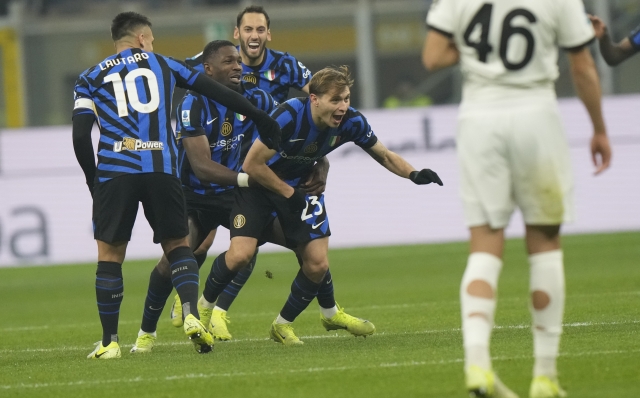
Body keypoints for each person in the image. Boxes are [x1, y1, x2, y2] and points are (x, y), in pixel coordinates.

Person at [423, 0, 612, 397]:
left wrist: (478, 54)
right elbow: (583, 68)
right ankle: (544, 376)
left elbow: (433, 56)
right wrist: (598, 129)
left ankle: (478, 366)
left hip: (478, 119)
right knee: (544, 243)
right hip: (535, 116)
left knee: (485, 244)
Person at [72, 12, 281, 359]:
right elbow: (218, 92)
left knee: (110, 256)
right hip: (162, 168)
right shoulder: (165, 65)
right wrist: (260, 116)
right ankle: (190, 313)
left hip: (116, 170)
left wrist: (94, 181)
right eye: (151, 39)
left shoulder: (91, 76)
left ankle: (110, 343)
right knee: (179, 247)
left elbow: (81, 134)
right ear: (142, 39)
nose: (151, 45)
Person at [196, 65, 443, 345]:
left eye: (347, 98)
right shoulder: (288, 116)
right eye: (335, 100)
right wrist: (289, 193)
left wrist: (413, 174)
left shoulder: (352, 122)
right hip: (260, 187)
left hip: (301, 188)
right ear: (315, 99)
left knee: (317, 264)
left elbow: (384, 155)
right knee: (241, 255)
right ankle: (203, 308)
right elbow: (252, 164)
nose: (343, 107)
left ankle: (282, 325)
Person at [129, 40, 328, 352]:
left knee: (301, 240)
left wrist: (321, 161)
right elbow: (201, 167)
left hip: (233, 194)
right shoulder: (192, 104)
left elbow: (289, 134)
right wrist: (249, 179)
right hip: (193, 196)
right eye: (228, 62)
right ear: (208, 70)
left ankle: (293, 319)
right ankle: (146, 333)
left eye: (238, 61)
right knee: (173, 259)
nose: (237, 66)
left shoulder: (257, 99)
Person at [174, 5, 318, 340]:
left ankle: (216, 312)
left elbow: (318, 99)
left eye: (260, 29)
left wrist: (318, 151)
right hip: (219, 164)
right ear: (236, 34)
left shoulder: (285, 65)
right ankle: (185, 302)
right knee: (199, 244)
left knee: (250, 244)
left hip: (263, 164)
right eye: (248, 30)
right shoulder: (204, 63)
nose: (254, 36)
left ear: (269, 33)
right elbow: (178, 90)